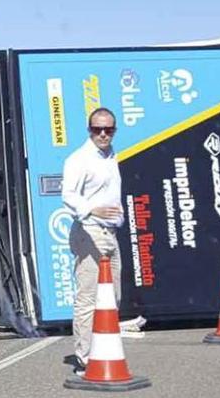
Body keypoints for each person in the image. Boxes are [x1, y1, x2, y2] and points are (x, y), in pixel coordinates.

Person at [62, 107, 124, 377]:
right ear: (89, 130)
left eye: (108, 130)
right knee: (88, 296)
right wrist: (91, 209)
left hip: (110, 232)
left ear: (114, 131)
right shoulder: (79, 159)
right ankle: (85, 358)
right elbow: (68, 194)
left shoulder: (111, 156)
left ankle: (104, 349)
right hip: (89, 230)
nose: (103, 134)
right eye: (97, 129)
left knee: (113, 296)